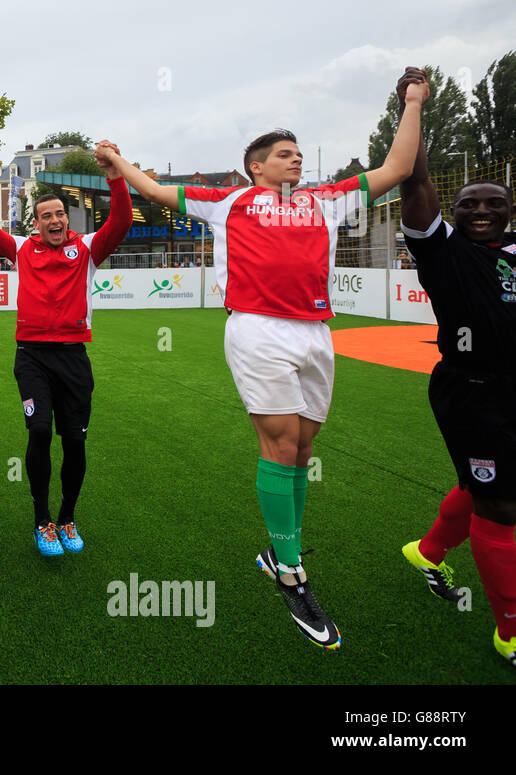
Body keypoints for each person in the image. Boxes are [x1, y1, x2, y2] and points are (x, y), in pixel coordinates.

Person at [100, 73, 429, 649]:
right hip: (256, 331)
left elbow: (398, 166)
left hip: (315, 334)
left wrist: (412, 102)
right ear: (257, 166)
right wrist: (117, 160)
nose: (296, 160)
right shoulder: (229, 202)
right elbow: (154, 191)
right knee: (279, 445)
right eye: (284, 154)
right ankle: (291, 572)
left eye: (299, 153)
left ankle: (282, 547)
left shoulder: (329, 200)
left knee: (303, 447)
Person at [392, 68, 516, 668]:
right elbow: (415, 183)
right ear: (455, 212)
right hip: (471, 393)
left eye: (494, 203)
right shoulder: (440, 247)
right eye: (470, 204)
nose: (482, 211)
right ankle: (510, 632)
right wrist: (413, 107)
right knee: (502, 506)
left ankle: (428, 551)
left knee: (488, 488)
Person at [0, 146, 132, 559]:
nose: (56, 220)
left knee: (75, 443)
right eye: (47, 216)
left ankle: (67, 516)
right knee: (39, 430)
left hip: (74, 358)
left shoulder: (89, 250)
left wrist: (114, 174)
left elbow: (122, 221)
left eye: (60, 213)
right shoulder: (24, 249)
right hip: (32, 356)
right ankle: (42, 520)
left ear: (66, 218)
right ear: (36, 223)